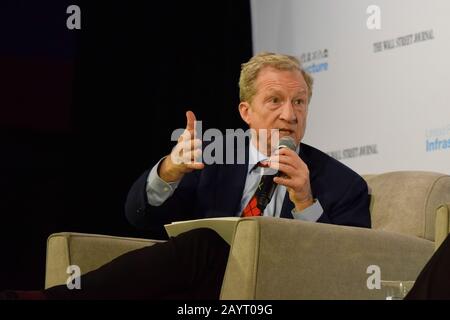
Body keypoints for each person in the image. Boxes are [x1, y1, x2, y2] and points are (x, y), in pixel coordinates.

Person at [1, 52, 370, 300]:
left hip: (281, 291)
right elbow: (139, 217)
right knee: (198, 247)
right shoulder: (213, 157)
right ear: (246, 111)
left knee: (203, 243)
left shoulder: (342, 183)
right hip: (201, 291)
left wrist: (306, 202)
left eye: (299, 102)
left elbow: (353, 270)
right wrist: (167, 173)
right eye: (275, 100)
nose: (290, 114)